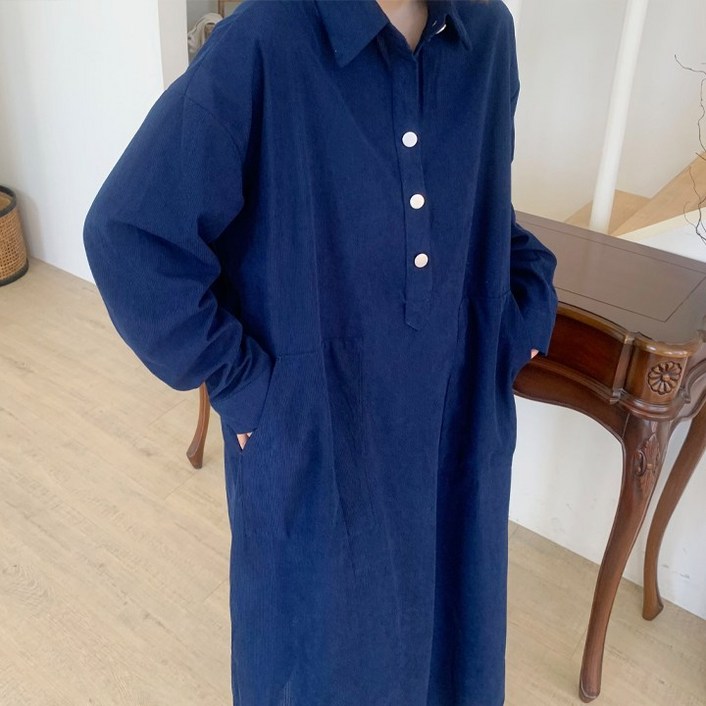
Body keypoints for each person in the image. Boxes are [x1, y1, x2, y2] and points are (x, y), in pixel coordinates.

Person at [83, 0, 558, 704]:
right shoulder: (266, 39)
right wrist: (246, 388)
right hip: (318, 435)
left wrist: (520, 314)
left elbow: (479, 200)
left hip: (454, 421)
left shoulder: (487, 33)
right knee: (319, 656)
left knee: (452, 640)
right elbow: (130, 233)